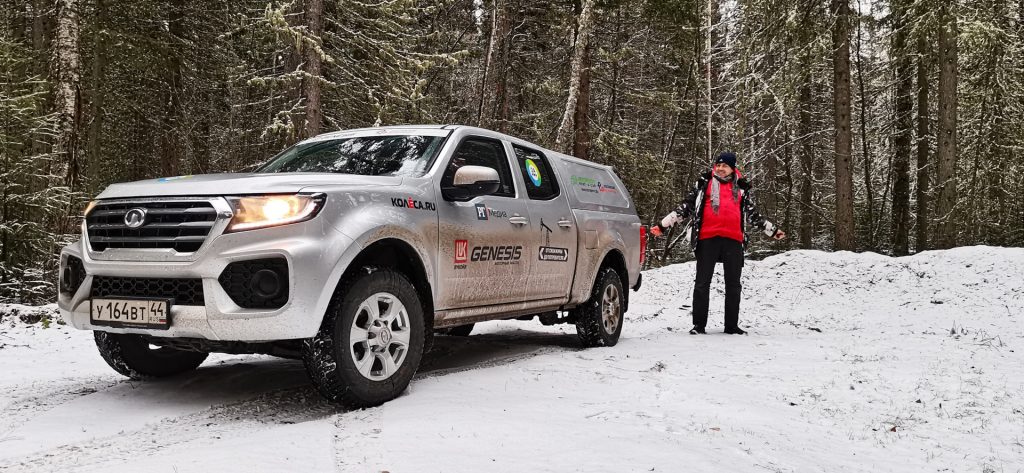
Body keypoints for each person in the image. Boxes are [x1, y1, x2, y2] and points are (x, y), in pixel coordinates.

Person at [651, 151, 785, 335]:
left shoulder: (741, 188)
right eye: (718, 165)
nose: (720, 168)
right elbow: (685, 207)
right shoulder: (704, 184)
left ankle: (731, 326)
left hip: (734, 240)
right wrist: (663, 225)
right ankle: (699, 325)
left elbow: (753, 215)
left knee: (733, 285)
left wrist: (773, 230)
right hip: (707, 239)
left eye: (725, 166)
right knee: (702, 283)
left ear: (732, 168)